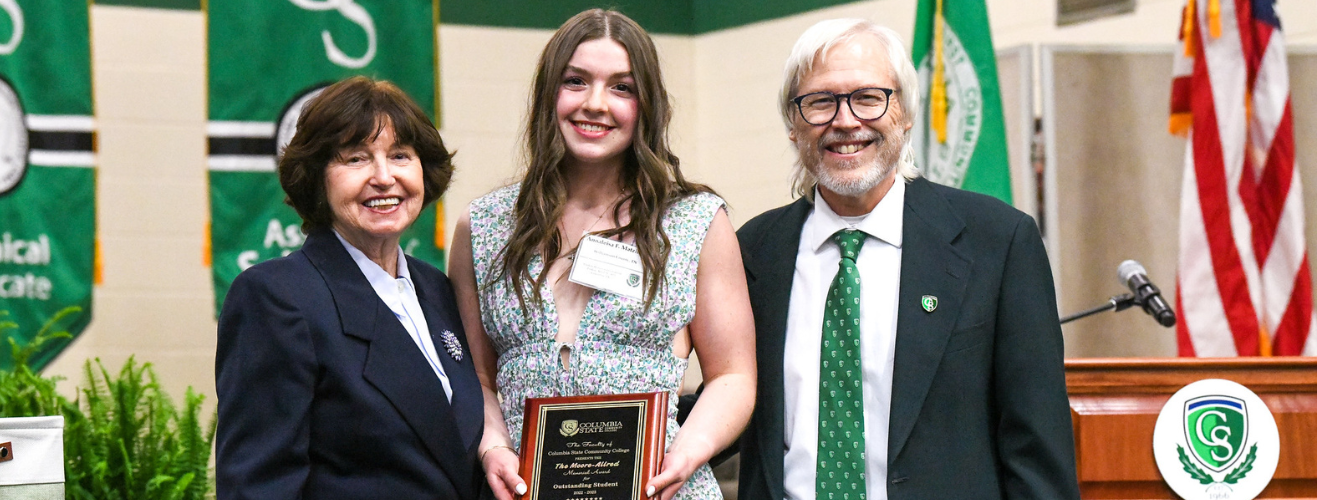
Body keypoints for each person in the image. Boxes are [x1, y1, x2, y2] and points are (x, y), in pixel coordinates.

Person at [729, 19, 1080, 500]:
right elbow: (722, 400)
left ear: (907, 114)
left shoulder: (997, 242)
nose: (846, 120)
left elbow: (1038, 451)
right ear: (793, 125)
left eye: (869, 97)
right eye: (820, 102)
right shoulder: (750, 252)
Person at [448, 9, 756, 500]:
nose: (595, 104)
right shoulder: (484, 225)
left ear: (646, 104)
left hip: (659, 488)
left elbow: (734, 375)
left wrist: (689, 451)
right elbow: (478, 380)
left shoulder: (694, 220)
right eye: (575, 81)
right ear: (549, 94)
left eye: (621, 87)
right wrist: (492, 447)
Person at [216, 76, 487, 500]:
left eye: (400, 155)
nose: (383, 177)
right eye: (356, 159)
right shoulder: (276, 297)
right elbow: (258, 487)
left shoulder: (436, 289)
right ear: (317, 177)